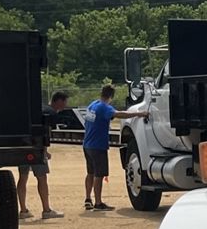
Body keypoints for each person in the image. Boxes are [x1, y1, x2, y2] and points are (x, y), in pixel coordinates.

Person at [83, 83, 147, 211]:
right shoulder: (105, 108)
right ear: (111, 96)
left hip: (87, 144)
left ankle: (88, 199)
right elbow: (120, 114)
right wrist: (139, 114)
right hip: (98, 146)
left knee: (90, 172)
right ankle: (98, 203)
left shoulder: (92, 105)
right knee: (99, 175)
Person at [18, 89, 71, 220]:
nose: (65, 105)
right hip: (37, 148)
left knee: (23, 177)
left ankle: (23, 210)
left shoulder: (36, 109)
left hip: (23, 145)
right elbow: (45, 134)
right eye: (65, 102)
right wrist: (45, 151)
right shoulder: (50, 113)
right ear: (59, 101)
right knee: (42, 178)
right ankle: (46, 210)